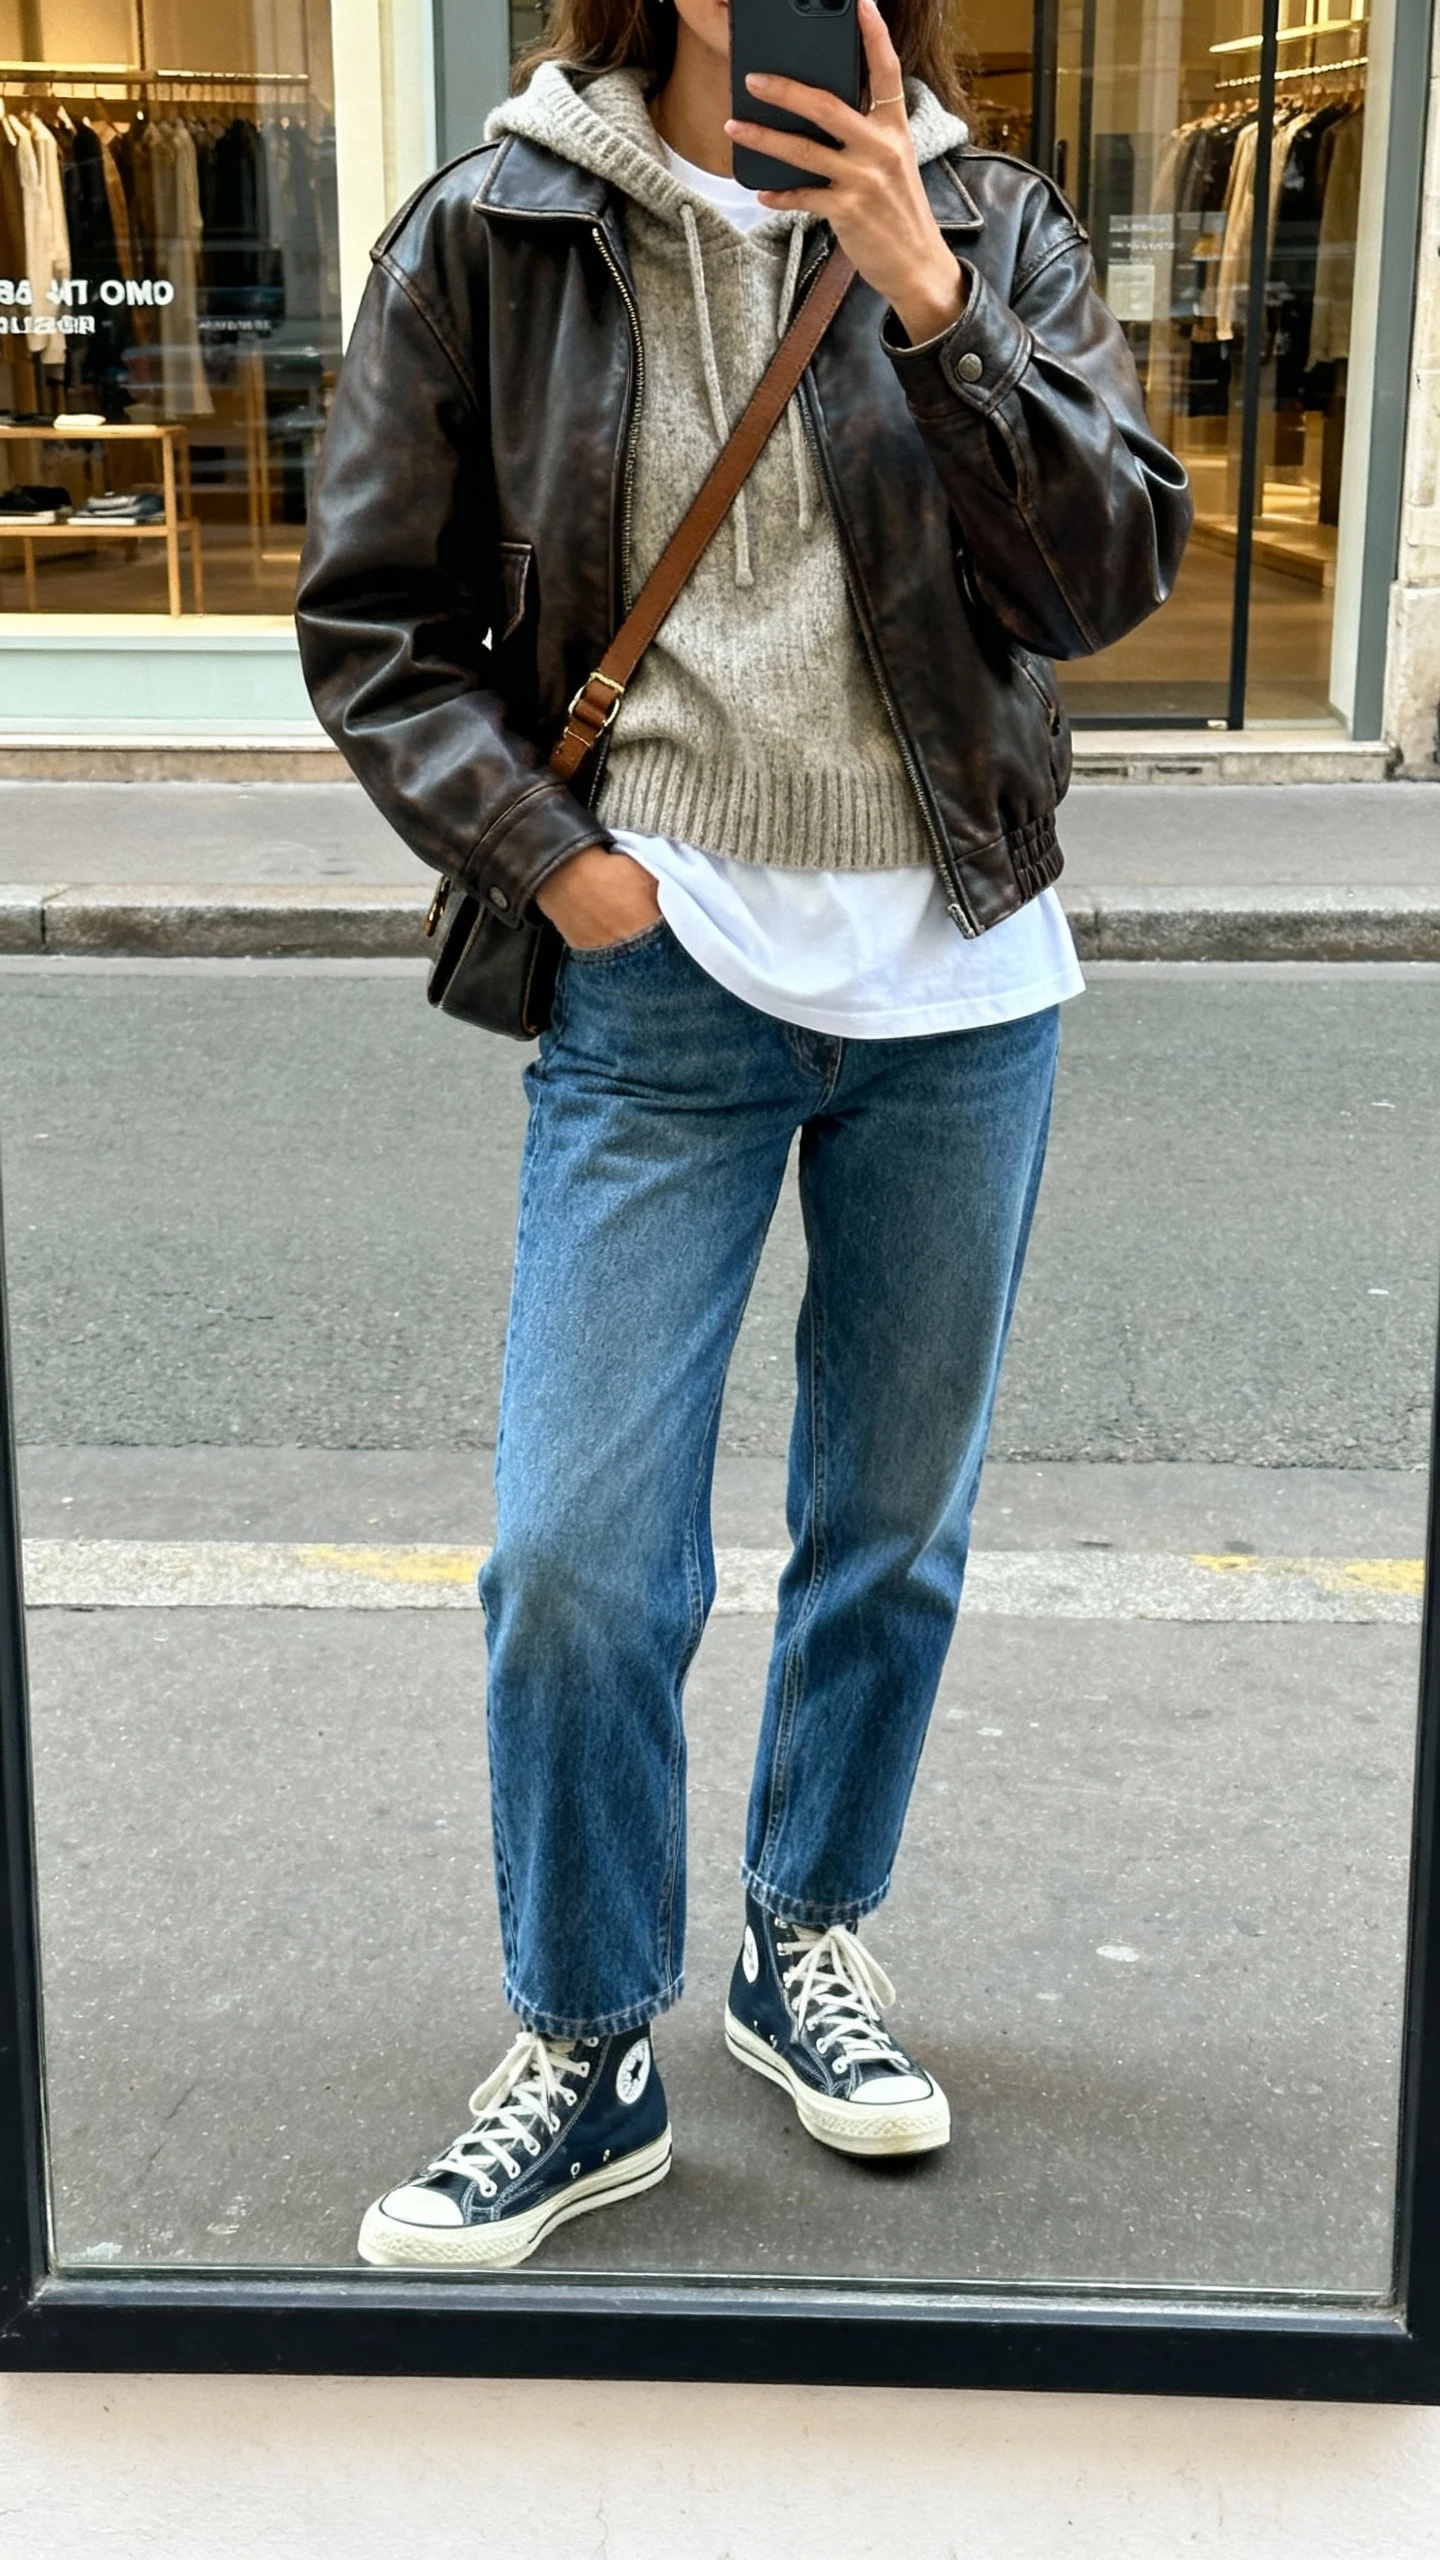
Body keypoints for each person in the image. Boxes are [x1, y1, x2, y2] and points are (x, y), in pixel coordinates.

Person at [296, 0, 1190, 2270]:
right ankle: (590, 2042)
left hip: (964, 980)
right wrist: (564, 862)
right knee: (579, 1557)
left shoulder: (986, 215)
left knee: (889, 1528)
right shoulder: (492, 228)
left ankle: (807, 1938)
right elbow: (376, 624)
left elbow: (1104, 577)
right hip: (658, 972)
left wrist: (934, 301)